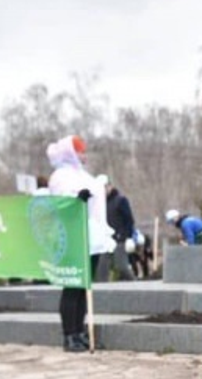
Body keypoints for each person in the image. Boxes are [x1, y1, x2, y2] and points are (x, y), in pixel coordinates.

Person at [47, 137, 111, 352]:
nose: (85, 155)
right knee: (72, 287)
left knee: (84, 287)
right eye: (80, 151)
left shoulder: (84, 176)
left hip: (91, 237)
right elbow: (60, 203)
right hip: (72, 236)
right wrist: (77, 199)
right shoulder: (60, 176)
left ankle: (81, 331)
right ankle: (69, 334)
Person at [104, 181, 137, 282]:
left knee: (121, 266)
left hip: (119, 238)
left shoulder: (120, 200)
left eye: (105, 187)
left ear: (110, 186)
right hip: (106, 239)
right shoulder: (102, 203)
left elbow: (129, 219)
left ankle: (134, 283)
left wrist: (127, 236)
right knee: (103, 267)